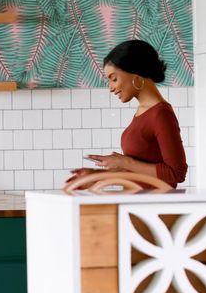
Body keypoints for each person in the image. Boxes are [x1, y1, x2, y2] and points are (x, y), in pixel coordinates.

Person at [67, 40, 188, 188]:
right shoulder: (143, 111)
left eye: (114, 79)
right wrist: (97, 176)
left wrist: (124, 162)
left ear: (136, 73)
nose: (111, 88)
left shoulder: (161, 114)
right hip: (136, 203)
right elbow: (141, 171)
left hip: (152, 207)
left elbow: (176, 173)